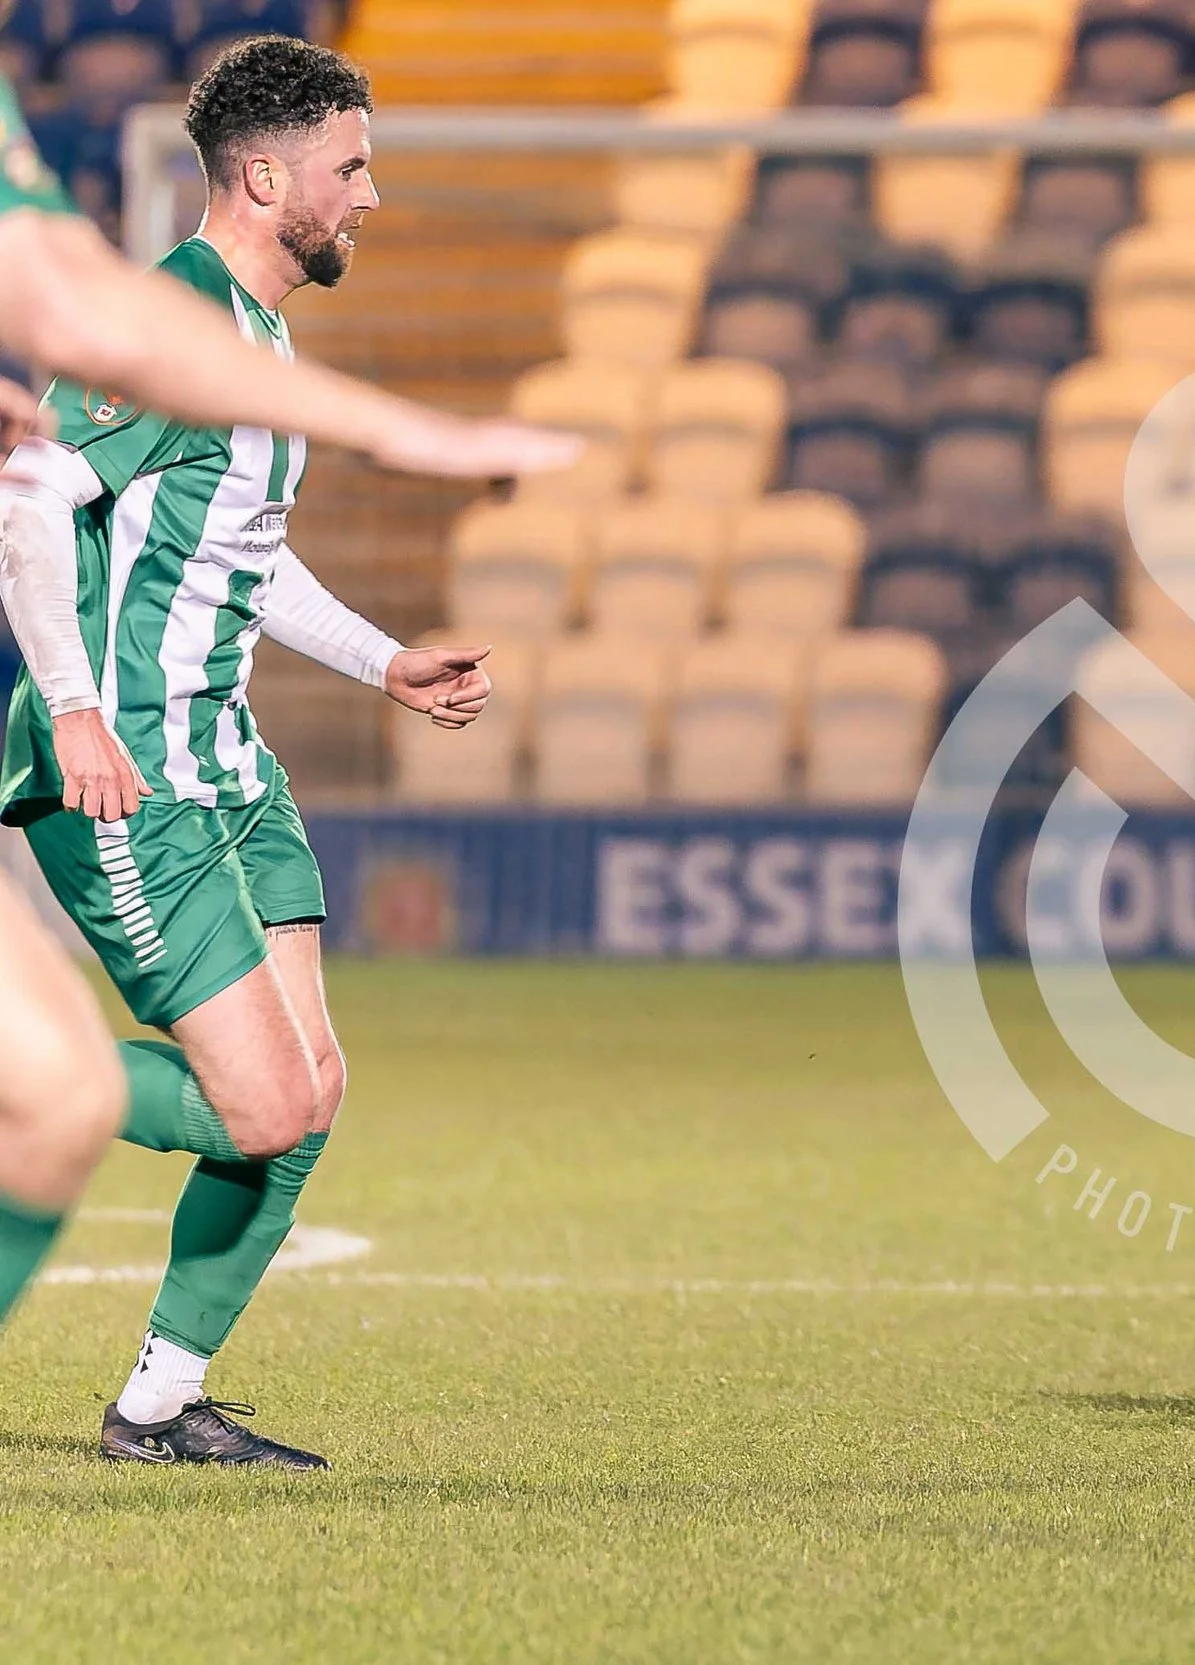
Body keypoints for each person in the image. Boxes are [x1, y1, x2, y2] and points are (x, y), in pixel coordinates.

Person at [0, 19, 574, 1366]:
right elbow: (29, 501)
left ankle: (161, 1399)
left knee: (313, 1089)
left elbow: (241, 551)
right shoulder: (177, 320)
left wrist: (386, 662)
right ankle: (27, 1093)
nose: (370, 196)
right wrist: (74, 705)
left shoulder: (254, 339)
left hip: (229, 764)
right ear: (268, 182)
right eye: (352, 167)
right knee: (260, 1109)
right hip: (129, 767)